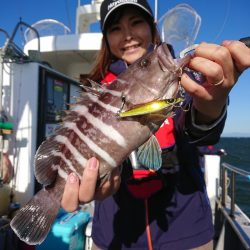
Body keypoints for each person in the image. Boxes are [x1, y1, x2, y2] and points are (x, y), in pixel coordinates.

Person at [61, 0, 250, 249]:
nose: (127, 35)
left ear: (152, 28)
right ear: (106, 39)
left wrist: (211, 105)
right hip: (115, 234)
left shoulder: (181, 75)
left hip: (186, 228)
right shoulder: (97, 87)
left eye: (136, 22)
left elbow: (198, 130)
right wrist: (101, 181)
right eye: (115, 28)